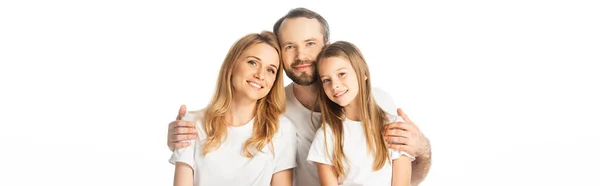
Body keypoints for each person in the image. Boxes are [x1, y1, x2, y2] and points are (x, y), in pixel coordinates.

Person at [167, 8, 432, 186]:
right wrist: (183, 135)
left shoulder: (376, 102)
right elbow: (229, 134)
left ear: (327, 47)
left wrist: (421, 149)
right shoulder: (273, 111)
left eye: (309, 44)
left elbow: (402, 175)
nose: (301, 55)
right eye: (289, 47)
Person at [169, 31, 297, 186]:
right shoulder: (191, 124)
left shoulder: (281, 129)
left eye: (270, 70)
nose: (260, 75)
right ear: (232, 65)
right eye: (253, 62)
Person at [307, 40, 414, 186]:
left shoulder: (394, 127)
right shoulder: (327, 135)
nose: (335, 85)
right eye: (326, 80)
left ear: (363, 73)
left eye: (342, 74)